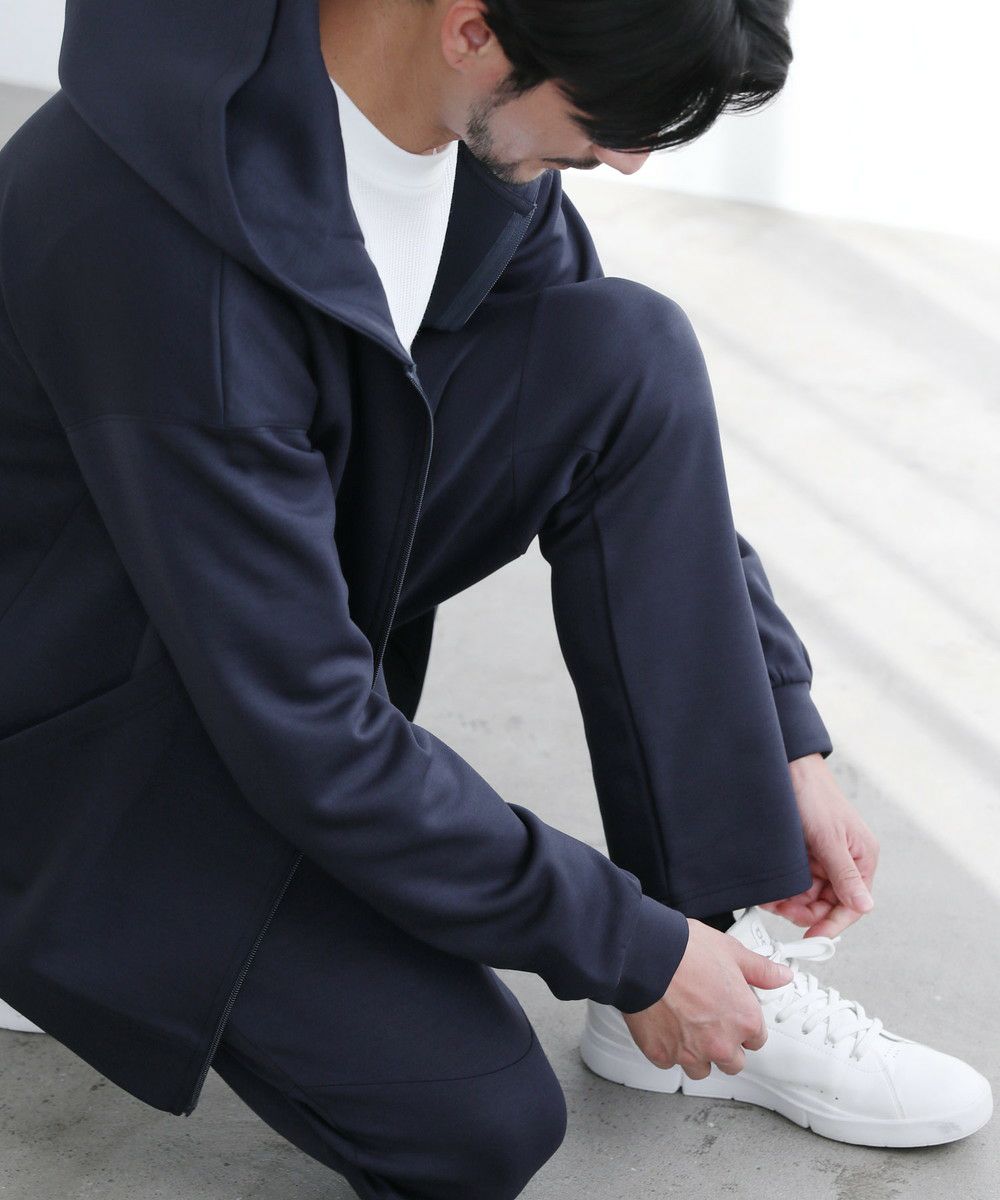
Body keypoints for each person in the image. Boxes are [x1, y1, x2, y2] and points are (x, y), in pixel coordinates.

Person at [0, 0, 990, 1195]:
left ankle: (717, 952)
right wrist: (622, 944)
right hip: (90, 732)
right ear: (472, 29)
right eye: (609, 119)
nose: (627, 159)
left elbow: (619, 410)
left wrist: (780, 737)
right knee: (479, 1123)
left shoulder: (458, 125)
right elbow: (311, 733)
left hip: (251, 611)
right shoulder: (158, 252)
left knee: (627, 349)